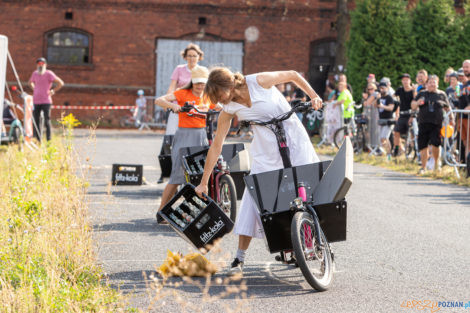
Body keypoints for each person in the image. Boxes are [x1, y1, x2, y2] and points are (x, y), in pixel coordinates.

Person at [194, 67, 322, 275]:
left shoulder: (258, 81)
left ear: (229, 85)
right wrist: (203, 181)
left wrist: (314, 96)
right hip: (266, 151)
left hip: (293, 138)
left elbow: (293, 75)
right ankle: (239, 258)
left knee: (306, 185)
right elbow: (216, 145)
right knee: (253, 197)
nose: (219, 101)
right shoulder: (228, 109)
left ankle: (310, 240)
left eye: (219, 95)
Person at [155, 66, 215, 224]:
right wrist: (174, 106)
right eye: (197, 83)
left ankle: (194, 213)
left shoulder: (208, 96)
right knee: (177, 176)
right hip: (184, 135)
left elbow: (219, 106)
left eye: (203, 83)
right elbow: (159, 100)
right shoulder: (182, 93)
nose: (200, 86)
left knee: (200, 175)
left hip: (201, 135)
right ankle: (161, 212)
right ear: (192, 82)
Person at [158, 43, 204, 183]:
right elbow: (172, 87)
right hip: (179, 108)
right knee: (170, 139)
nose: (191, 58)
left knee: (199, 140)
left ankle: (196, 171)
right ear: (185, 57)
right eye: (189, 56)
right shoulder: (179, 69)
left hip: (197, 110)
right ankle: (169, 171)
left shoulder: (202, 70)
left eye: (194, 56)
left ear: (199, 57)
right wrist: (168, 103)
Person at [411, 75, 450, 173]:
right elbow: (413, 105)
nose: (432, 84)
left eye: (434, 82)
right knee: (423, 145)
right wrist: (417, 103)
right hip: (423, 123)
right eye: (430, 82)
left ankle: (437, 165)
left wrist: (452, 119)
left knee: (436, 144)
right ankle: (423, 167)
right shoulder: (422, 93)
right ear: (426, 84)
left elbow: (448, 108)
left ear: (437, 84)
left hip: (436, 124)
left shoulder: (442, 94)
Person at [28, 57, 64, 142]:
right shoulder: (35, 74)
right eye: (39, 64)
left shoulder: (49, 74)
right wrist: (35, 89)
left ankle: (48, 140)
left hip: (46, 101)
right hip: (36, 100)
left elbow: (60, 83)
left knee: (47, 121)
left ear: (45, 65)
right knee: (36, 121)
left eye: (42, 64)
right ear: (37, 65)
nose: (40, 65)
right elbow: (30, 83)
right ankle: (38, 139)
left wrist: (53, 91)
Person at [393, 73, 415, 156]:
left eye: (407, 80)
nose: (405, 81)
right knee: (396, 131)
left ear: (410, 81)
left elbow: (415, 100)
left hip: (410, 114)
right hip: (402, 114)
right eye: (404, 80)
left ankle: (412, 147)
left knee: (412, 132)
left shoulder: (413, 90)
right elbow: (393, 97)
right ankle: (397, 149)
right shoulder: (400, 90)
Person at [376, 82, 395, 158]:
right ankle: (387, 153)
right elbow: (375, 105)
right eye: (380, 88)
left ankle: (389, 154)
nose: (381, 90)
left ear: (387, 88)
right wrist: (377, 99)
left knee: (385, 137)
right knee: (382, 139)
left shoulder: (389, 98)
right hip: (382, 120)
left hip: (389, 120)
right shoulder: (380, 97)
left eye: (383, 88)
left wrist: (382, 106)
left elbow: (391, 108)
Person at [457, 60, 470, 167]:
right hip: (462, 117)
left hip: (468, 116)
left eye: (467, 67)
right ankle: (467, 168)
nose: (465, 69)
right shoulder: (464, 85)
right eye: (464, 67)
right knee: (466, 143)